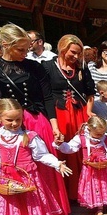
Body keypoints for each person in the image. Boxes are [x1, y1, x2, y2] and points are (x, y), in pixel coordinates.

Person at [0, 24, 70, 215]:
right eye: (20, 49)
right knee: (16, 171)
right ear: (5, 45)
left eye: (27, 49)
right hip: (11, 125)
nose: (25, 53)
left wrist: (54, 126)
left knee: (42, 169)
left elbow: (48, 98)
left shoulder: (35, 66)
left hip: (37, 122)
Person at [0, 99, 71, 215]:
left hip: (28, 176)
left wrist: (57, 163)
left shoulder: (29, 136)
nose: (14, 123)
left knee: (33, 203)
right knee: (17, 205)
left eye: (18, 119)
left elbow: (41, 155)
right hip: (9, 177)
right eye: (9, 120)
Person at [42, 34, 95, 200]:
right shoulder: (47, 66)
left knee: (81, 150)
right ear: (63, 48)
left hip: (80, 113)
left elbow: (90, 92)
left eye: (78, 53)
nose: (76, 56)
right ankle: (66, 193)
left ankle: (84, 190)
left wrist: (88, 112)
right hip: (59, 114)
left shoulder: (81, 68)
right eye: (73, 52)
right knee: (62, 150)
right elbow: (46, 95)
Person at [54, 115, 107, 215]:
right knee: (94, 187)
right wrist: (60, 144)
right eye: (98, 134)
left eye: (102, 134)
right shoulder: (81, 138)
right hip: (90, 169)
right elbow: (70, 148)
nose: (100, 136)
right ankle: (99, 206)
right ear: (89, 129)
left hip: (104, 168)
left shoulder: (106, 139)